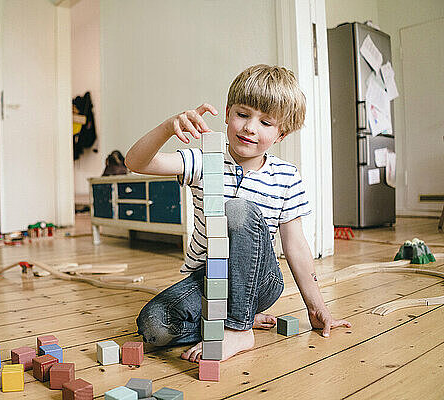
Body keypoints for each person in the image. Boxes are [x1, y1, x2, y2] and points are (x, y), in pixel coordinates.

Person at [125, 64, 351, 363]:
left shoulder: (286, 176)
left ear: (281, 134)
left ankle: (239, 329)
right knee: (153, 327)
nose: (249, 128)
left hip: (262, 281)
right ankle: (239, 314)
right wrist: (169, 126)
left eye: (266, 122)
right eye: (243, 115)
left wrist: (316, 306)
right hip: (209, 278)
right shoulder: (204, 160)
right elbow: (136, 162)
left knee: (238, 208)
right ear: (229, 112)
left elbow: (295, 244)